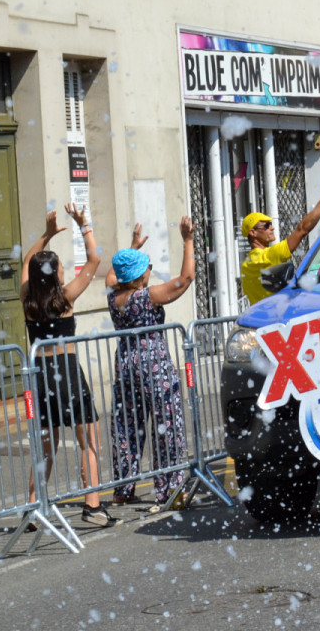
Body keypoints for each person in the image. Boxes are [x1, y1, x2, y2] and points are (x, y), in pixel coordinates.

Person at [21, 204, 115, 528]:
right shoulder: (67, 298)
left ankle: (33, 506)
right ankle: (92, 505)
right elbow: (94, 260)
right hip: (67, 374)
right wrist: (83, 224)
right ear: (57, 274)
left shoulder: (27, 299)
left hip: (39, 376)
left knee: (47, 447)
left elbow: (26, 263)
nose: (63, 271)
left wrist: (46, 235)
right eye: (60, 267)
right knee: (89, 440)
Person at [105, 217, 195, 510]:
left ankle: (123, 486)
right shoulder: (145, 298)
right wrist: (187, 240)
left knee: (127, 425)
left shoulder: (114, 297)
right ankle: (170, 486)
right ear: (140, 276)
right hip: (153, 364)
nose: (150, 273)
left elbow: (111, 277)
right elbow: (185, 280)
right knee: (166, 423)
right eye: (148, 268)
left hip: (126, 363)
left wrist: (131, 248)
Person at [240, 197, 320, 305]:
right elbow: (302, 230)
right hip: (277, 316)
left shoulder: (245, 266)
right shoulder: (267, 256)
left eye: (270, 224)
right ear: (253, 233)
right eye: (266, 225)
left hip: (261, 316)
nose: (272, 228)